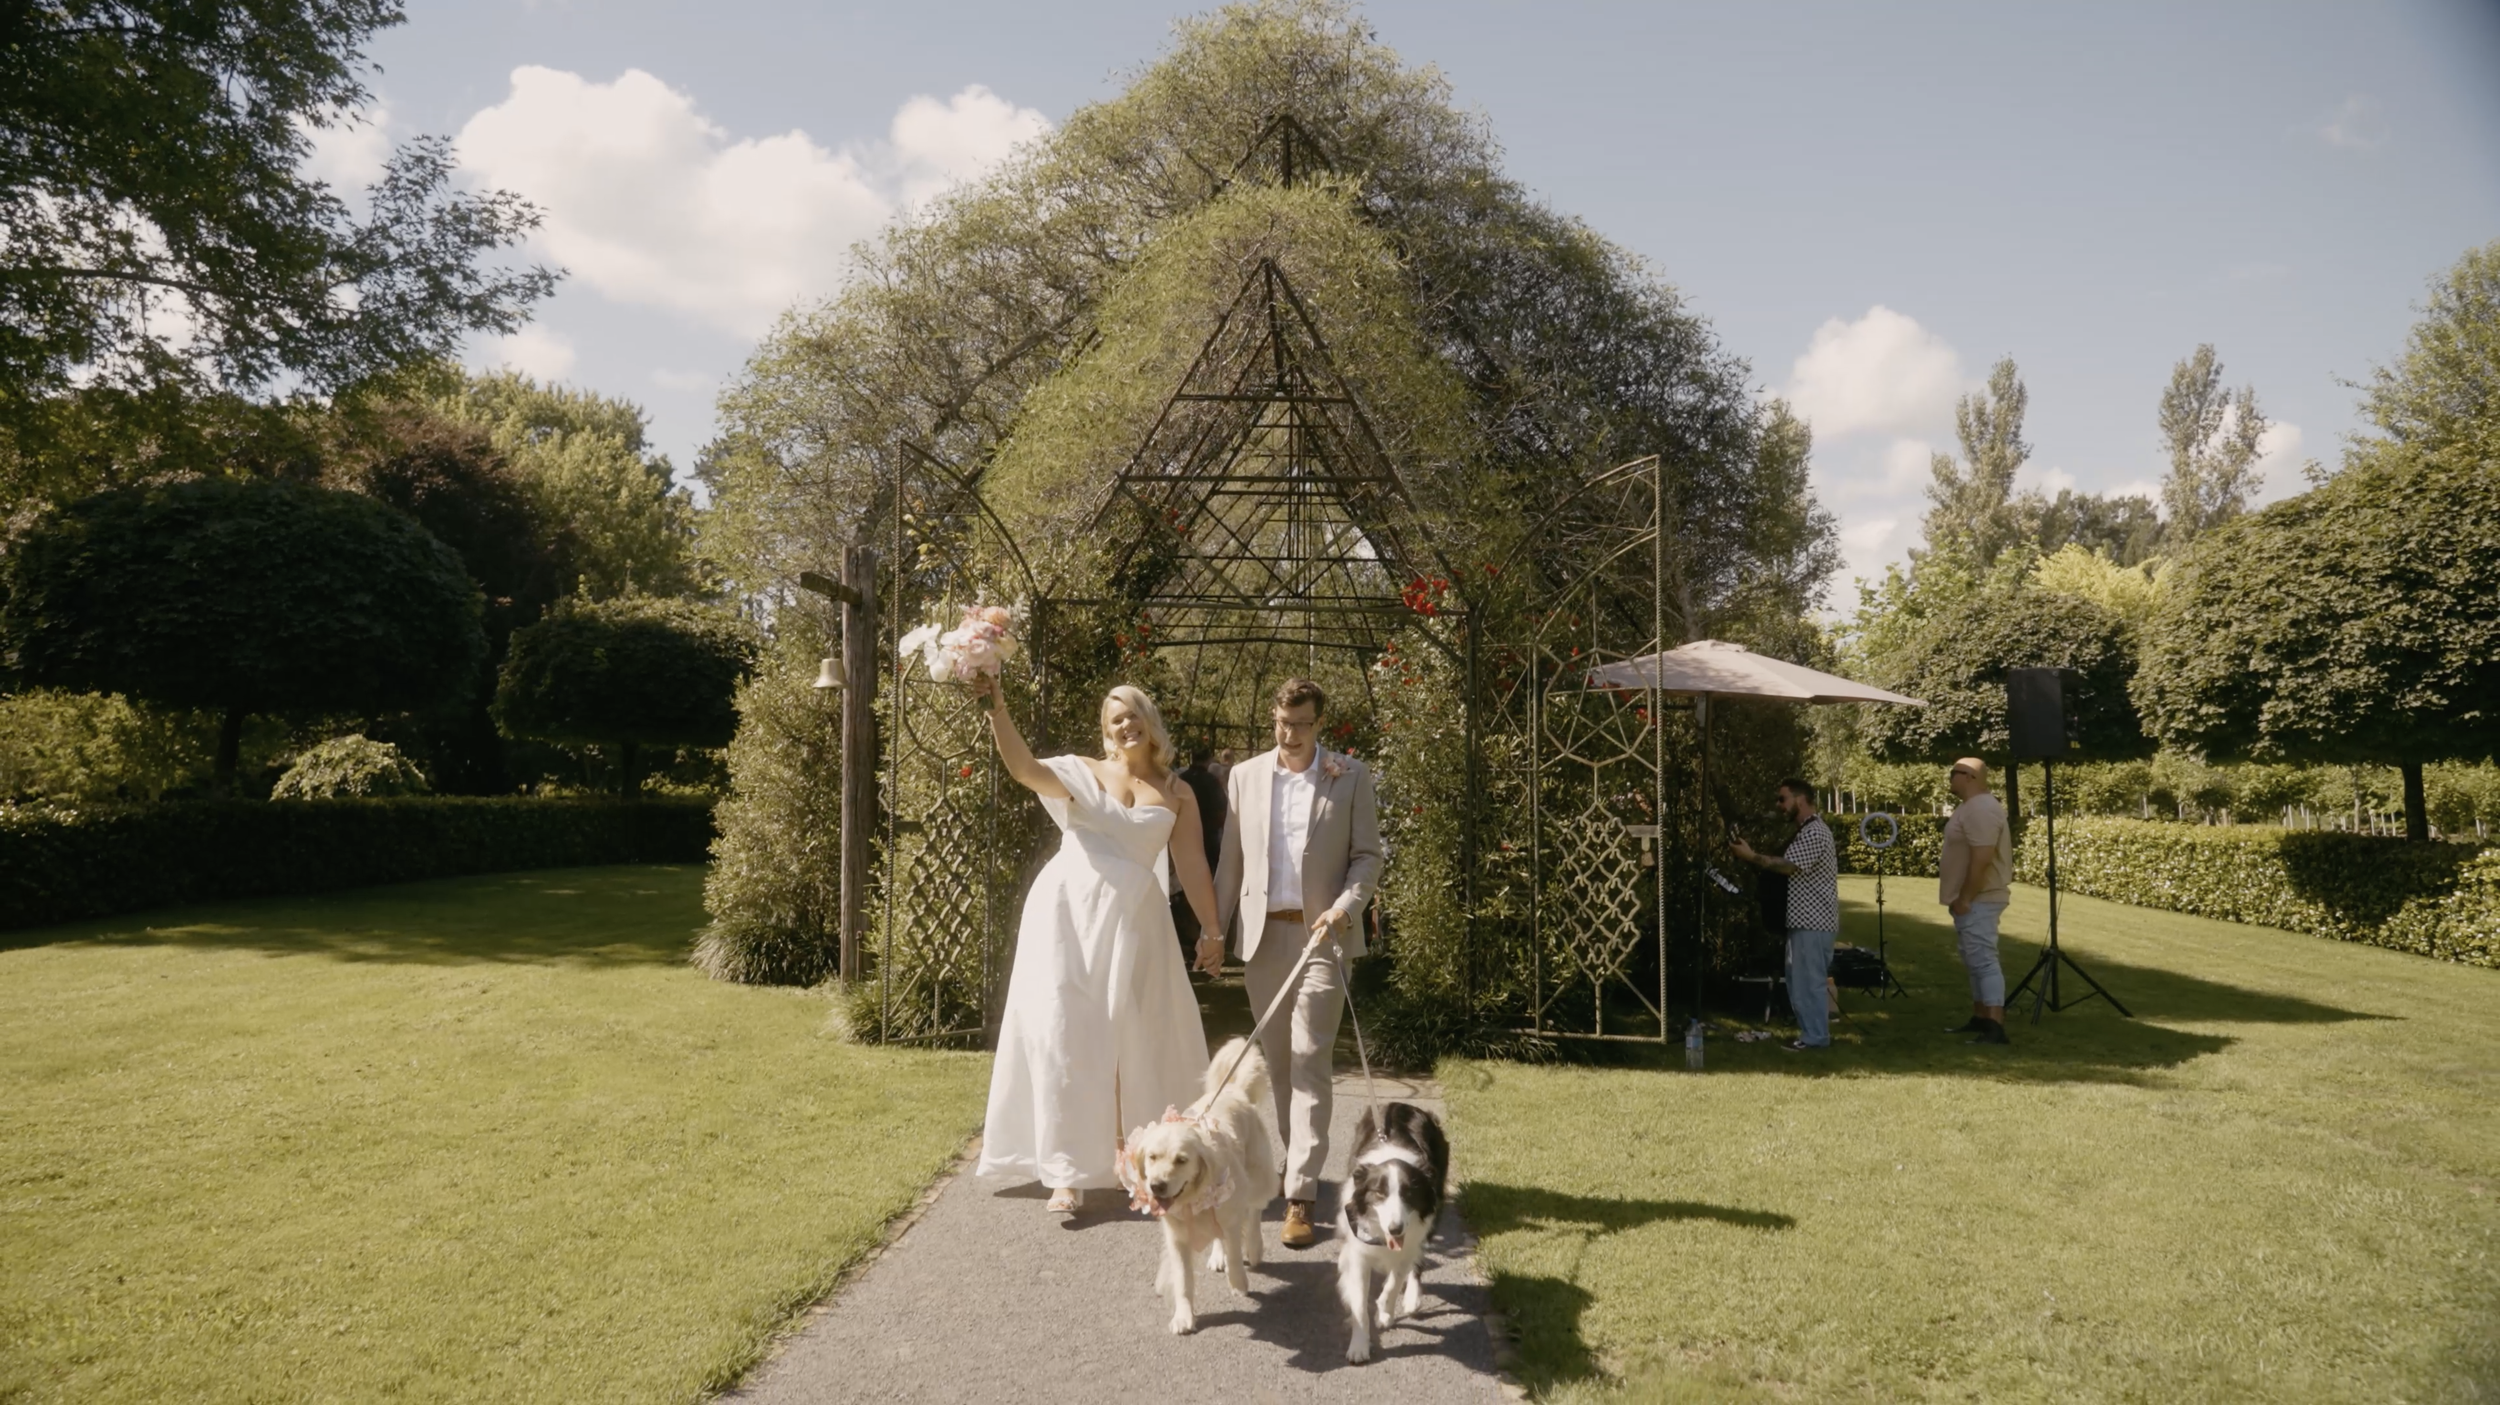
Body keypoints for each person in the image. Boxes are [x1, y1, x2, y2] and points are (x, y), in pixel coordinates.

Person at [970, 677, 1228, 1215]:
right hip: (1067, 914)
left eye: (1134, 713)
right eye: (1115, 718)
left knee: (1132, 1040)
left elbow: (1193, 864)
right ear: (1106, 732)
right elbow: (1024, 770)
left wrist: (1212, 930)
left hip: (1137, 923)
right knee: (1067, 1035)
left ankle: (1130, 1155)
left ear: (1150, 721)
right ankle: (1065, 1172)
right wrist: (997, 708)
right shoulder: (1083, 771)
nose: (1126, 724)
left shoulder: (1178, 793)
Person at [1214, 678, 1383, 1249]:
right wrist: (1214, 932)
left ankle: (1301, 1197)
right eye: (1282, 723)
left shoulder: (1349, 775)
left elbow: (1367, 856)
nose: (1290, 734)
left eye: (1301, 724)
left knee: (1311, 1059)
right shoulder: (1244, 777)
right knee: (1281, 1068)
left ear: (1319, 723)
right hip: (1264, 939)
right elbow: (1230, 864)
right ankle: (1296, 1170)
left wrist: (1343, 907)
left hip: (1322, 939)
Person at [1730, 779, 1841, 1052]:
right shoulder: (1806, 831)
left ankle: (1816, 1038)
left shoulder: (1815, 832)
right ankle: (1811, 1035)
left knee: (1809, 984)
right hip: (1805, 922)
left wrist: (1751, 856)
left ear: (1800, 799)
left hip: (1814, 923)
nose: (1779, 806)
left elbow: (1789, 866)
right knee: (1799, 982)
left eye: (1783, 799)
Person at [1939, 756, 2015, 1045]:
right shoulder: (1971, 807)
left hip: (1979, 898)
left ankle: (1994, 1025)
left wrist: (1965, 899)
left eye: (1953, 773)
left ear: (1970, 776)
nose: (1949, 778)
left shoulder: (1981, 809)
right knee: (1974, 960)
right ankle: (1981, 1018)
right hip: (1972, 899)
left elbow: (1982, 858)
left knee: (1983, 960)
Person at [1170, 741, 1230, 969]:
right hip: (1207, 843)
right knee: (1203, 891)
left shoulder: (1181, 780)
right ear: (1208, 759)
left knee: (1181, 895)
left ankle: (1189, 941)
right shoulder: (1209, 782)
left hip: (1178, 843)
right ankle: (1197, 939)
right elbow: (1222, 812)